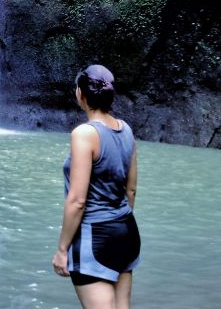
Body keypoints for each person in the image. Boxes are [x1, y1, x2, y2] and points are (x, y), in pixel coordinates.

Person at [52, 64, 140, 309]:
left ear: (81, 93)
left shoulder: (84, 134)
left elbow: (77, 200)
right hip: (126, 231)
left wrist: (62, 249)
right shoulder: (126, 130)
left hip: (96, 236)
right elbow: (131, 190)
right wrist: (118, 221)